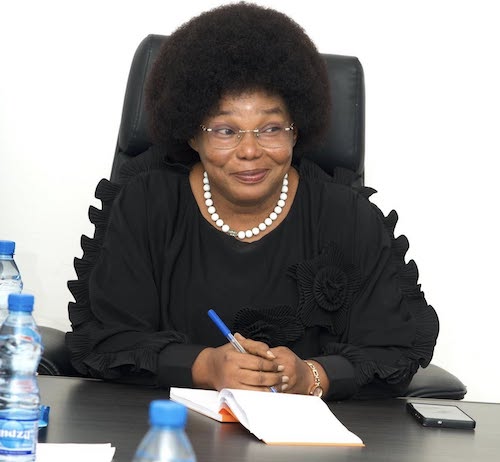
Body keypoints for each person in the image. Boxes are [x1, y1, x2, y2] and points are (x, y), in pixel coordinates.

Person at [66, 2, 439, 400]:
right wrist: (205, 367)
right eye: (226, 130)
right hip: (165, 427)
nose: (249, 151)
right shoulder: (146, 205)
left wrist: (312, 376)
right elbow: (107, 340)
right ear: (192, 134)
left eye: (271, 128)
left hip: (305, 434)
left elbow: (394, 350)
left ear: (297, 131)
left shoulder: (348, 217)